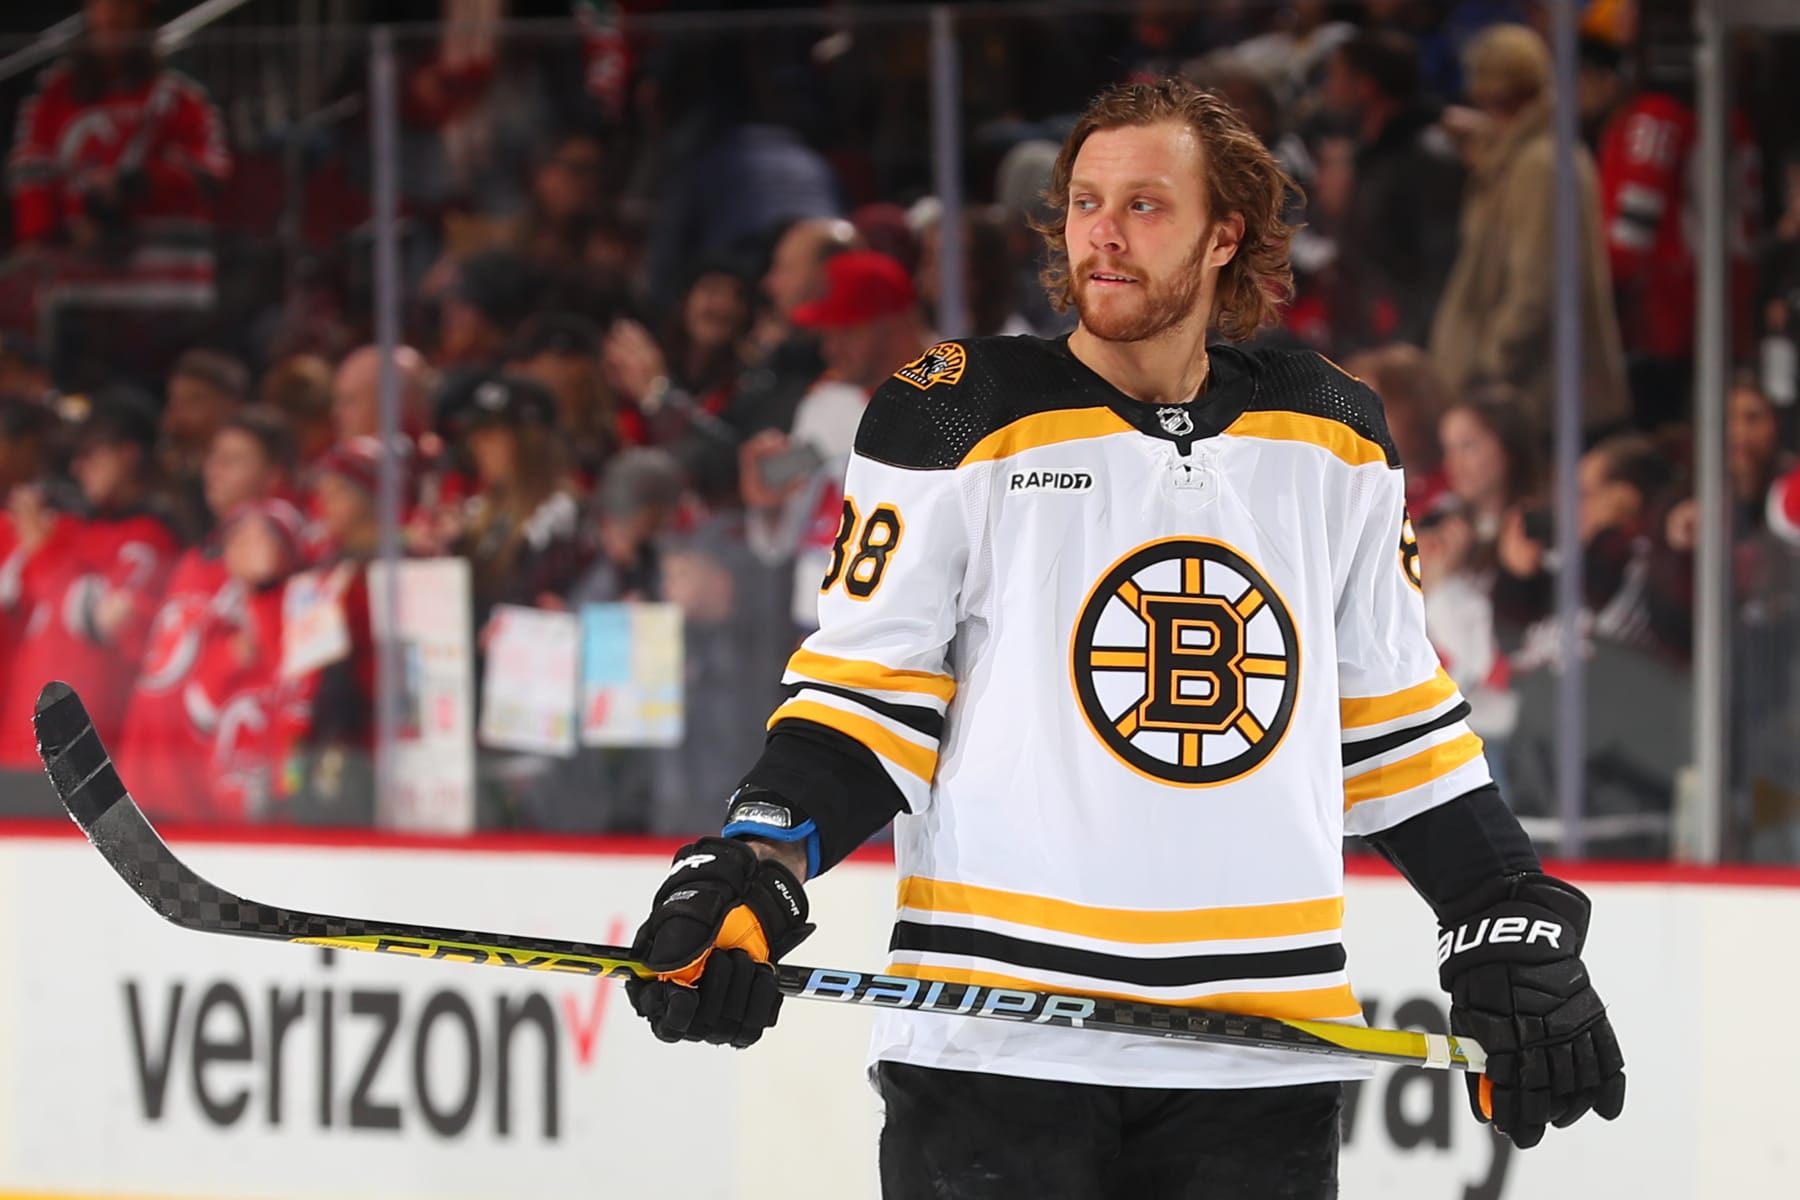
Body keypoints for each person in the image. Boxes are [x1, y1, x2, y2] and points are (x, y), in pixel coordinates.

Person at [622, 78, 1626, 1197]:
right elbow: (866, 702)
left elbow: (1394, 722)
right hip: (995, 1045)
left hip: (1261, 1054)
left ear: (1222, 235)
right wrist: (755, 862)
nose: (1102, 231)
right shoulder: (957, 413)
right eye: (1085, 201)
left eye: (1145, 204)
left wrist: (1501, 910)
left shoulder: (1334, 432)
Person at [1427, 24, 1629, 435]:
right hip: (1529, 392)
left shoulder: (1539, 165)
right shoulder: (1528, 152)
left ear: (1490, 93)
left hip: (1535, 397)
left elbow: (1535, 288)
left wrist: (1487, 369)